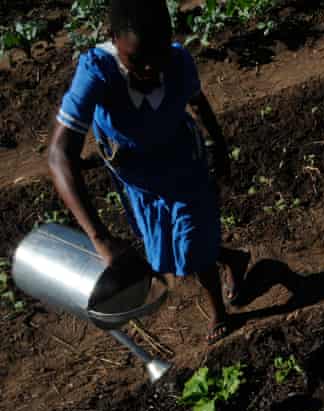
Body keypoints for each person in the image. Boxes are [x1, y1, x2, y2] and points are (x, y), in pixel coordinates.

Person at [47, 0, 248, 345]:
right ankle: (233, 258)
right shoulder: (97, 71)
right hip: (138, 180)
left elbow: (198, 103)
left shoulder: (178, 61)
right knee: (165, 253)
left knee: (193, 243)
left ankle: (218, 310)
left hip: (184, 166)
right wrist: (100, 238)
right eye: (137, 60)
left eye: (159, 56)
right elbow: (59, 153)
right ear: (113, 39)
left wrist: (218, 147)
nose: (151, 69)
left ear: (169, 39)